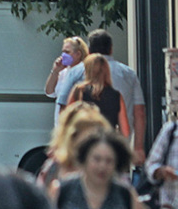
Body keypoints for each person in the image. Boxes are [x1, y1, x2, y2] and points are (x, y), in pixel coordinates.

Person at [56, 29, 147, 163]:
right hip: (116, 150)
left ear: (89, 50)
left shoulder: (76, 78)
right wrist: (138, 148)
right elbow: (139, 113)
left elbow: (64, 111)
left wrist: (62, 143)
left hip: (82, 148)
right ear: (111, 49)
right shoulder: (128, 76)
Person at [69, 53, 130, 135]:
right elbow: (125, 131)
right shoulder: (116, 95)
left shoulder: (79, 91)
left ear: (87, 71)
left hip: (85, 140)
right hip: (107, 140)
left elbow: (67, 120)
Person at [45, 36, 89, 126]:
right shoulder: (63, 71)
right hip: (60, 124)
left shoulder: (83, 72)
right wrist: (55, 71)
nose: (63, 55)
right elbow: (49, 92)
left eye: (67, 52)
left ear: (78, 54)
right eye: (63, 52)